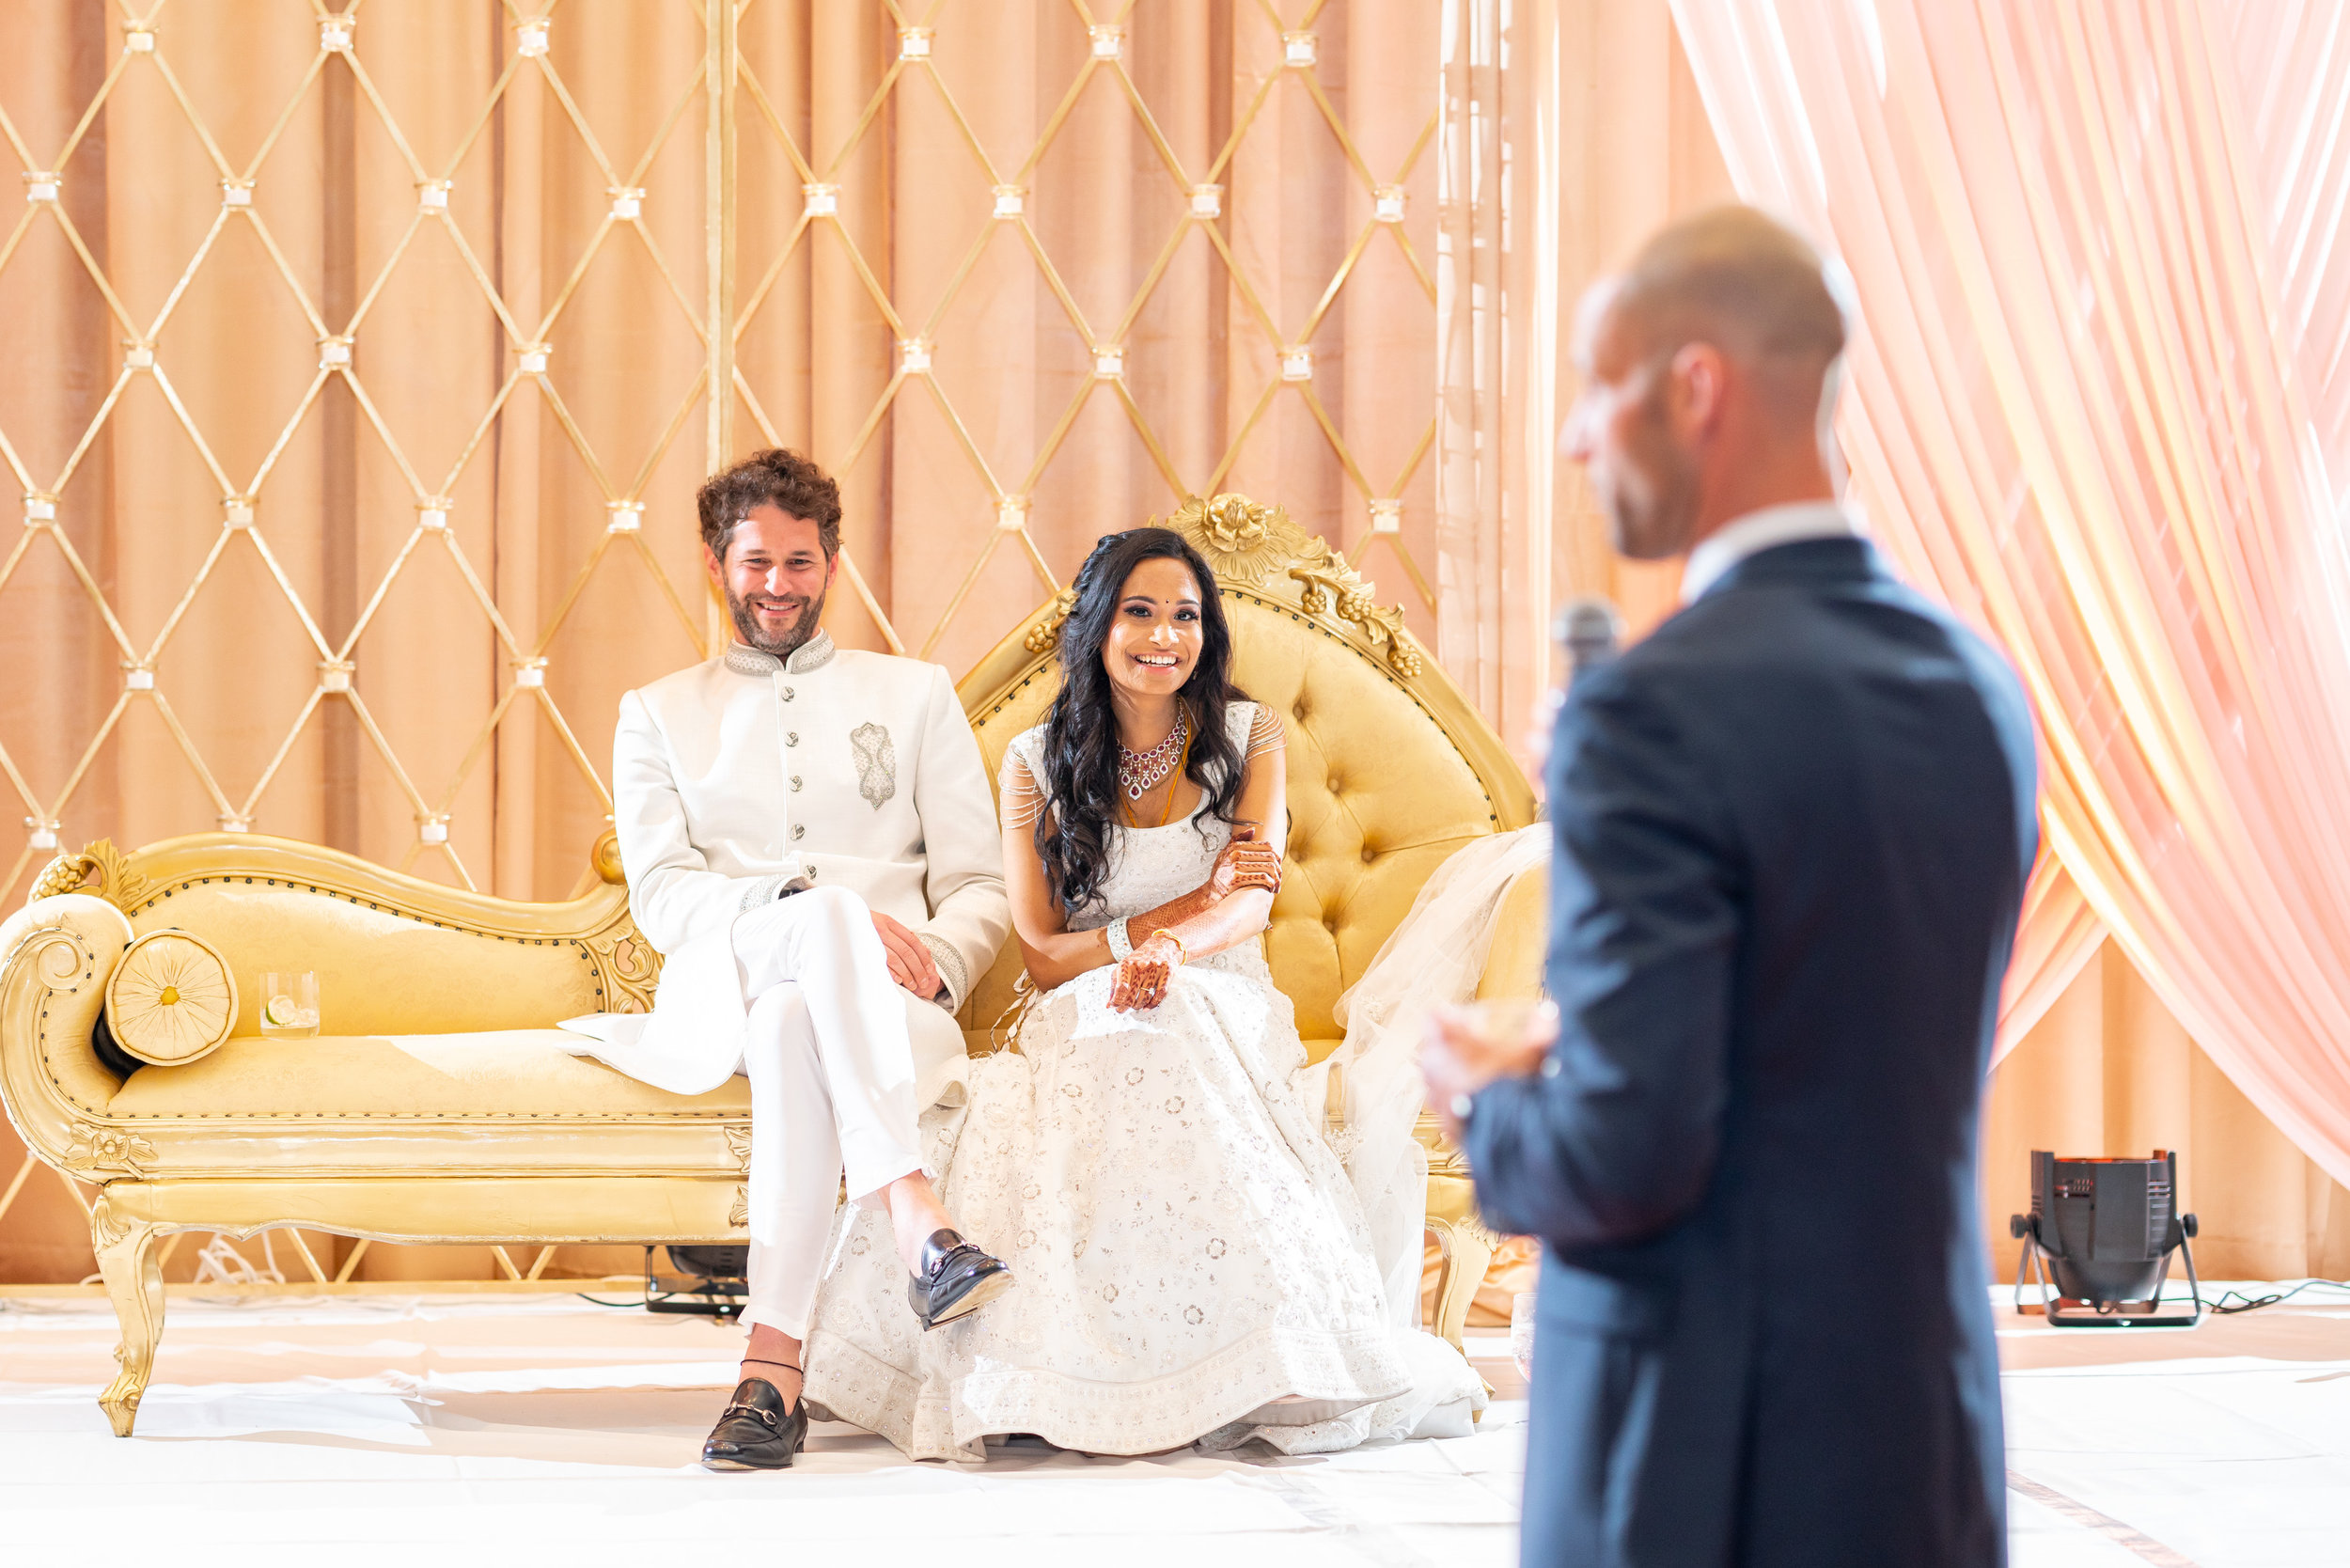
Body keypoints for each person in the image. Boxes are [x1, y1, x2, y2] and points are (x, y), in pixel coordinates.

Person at [1421, 207, 2035, 1566]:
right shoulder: (1982, 689)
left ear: (1696, 386)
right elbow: (1836, 1034)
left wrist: (1485, 1096)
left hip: (1700, 1457)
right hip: (1922, 1433)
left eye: (1599, 384)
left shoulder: (1649, 713)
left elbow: (1624, 1159)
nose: (1579, 435)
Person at [802, 526, 1483, 1460]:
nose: (1165, 635)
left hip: (1221, 991)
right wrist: (1139, 942)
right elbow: (1042, 952)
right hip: (1079, 1000)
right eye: (1140, 612)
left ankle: (1239, 1357)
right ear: (1096, 626)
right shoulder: (1034, 764)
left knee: (1174, 1018)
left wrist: (1172, 948)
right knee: (1108, 1033)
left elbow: (1246, 899)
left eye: (1186, 616)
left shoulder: (1252, 737)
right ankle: (1077, 1368)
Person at [562, 448, 1015, 1471]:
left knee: (795, 1022)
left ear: (832, 562)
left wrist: (935, 961)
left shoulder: (916, 695)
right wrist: (819, 910)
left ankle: (770, 1377)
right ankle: (919, 1218)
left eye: (800, 563)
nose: (778, 585)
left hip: (889, 1005)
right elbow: (666, 898)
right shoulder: (657, 712)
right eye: (757, 562)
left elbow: (981, 886)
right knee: (816, 928)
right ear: (717, 564)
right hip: (724, 978)